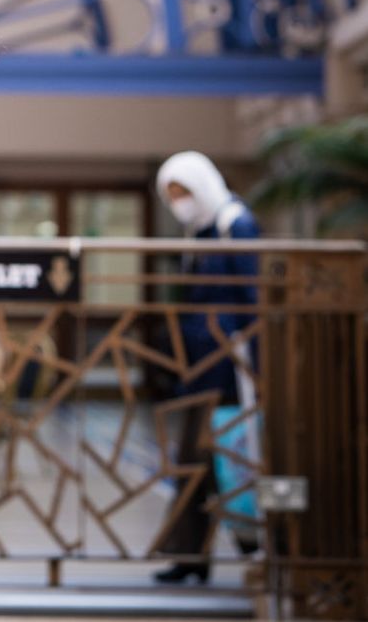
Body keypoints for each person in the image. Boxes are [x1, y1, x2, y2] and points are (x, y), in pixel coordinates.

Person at [152, 150, 261, 585]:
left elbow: (254, 300)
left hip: (232, 368)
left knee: (234, 458)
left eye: (184, 192)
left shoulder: (237, 224)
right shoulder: (201, 231)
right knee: (196, 461)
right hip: (200, 366)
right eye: (172, 194)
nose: (179, 201)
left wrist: (258, 369)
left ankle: (257, 548)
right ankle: (191, 556)